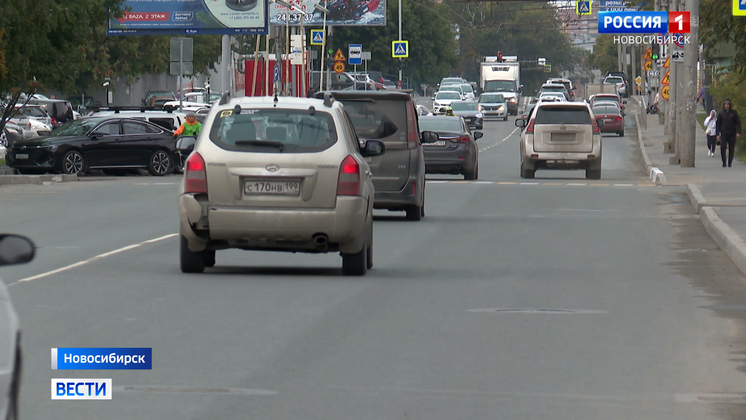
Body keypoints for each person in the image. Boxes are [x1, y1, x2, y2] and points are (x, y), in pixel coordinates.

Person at [716, 99, 741, 168]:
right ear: (724, 105)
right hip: (724, 133)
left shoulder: (734, 113)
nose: (727, 106)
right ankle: (724, 162)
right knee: (723, 147)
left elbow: (738, 122)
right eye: (725, 104)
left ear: (730, 105)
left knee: (731, 148)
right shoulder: (721, 113)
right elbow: (718, 124)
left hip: (732, 133)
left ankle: (730, 162)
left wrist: (738, 132)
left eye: (728, 104)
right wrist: (717, 134)